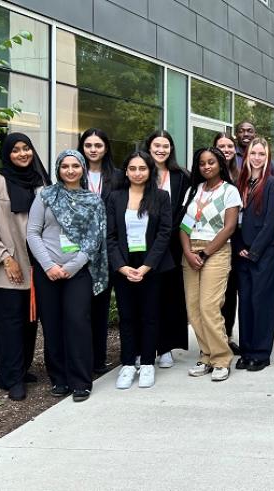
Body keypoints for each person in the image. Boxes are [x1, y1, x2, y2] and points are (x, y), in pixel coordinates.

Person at [27, 149, 108, 403]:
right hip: (47, 272)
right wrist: (49, 266)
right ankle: (59, 379)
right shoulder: (45, 196)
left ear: (83, 168)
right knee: (52, 325)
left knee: (77, 322)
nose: (70, 170)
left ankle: (80, 381)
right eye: (65, 166)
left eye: (75, 165)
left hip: (78, 271)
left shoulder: (93, 201)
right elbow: (32, 232)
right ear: (58, 169)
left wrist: (72, 267)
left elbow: (94, 239)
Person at [0, 133, 51, 401]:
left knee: (30, 321)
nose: (22, 154)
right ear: (7, 153)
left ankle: (21, 367)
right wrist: (6, 258)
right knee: (10, 322)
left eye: (27, 148)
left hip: (37, 262)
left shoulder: (40, 182)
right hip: (8, 264)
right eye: (16, 150)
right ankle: (11, 377)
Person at [107, 151, 174, 389]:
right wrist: (122, 267)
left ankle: (147, 363)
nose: (137, 173)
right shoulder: (115, 197)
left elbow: (165, 233)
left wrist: (147, 267)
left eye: (142, 168)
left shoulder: (161, 197)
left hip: (152, 267)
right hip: (123, 266)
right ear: (126, 171)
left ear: (150, 171)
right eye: (133, 168)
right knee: (127, 317)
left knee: (150, 316)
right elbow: (111, 236)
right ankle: (127, 364)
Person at [180, 147, 241, 381]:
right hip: (190, 250)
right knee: (194, 309)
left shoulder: (230, 191)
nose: (206, 167)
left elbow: (229, 228)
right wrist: (187, 251)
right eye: (202, 163)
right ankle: (206, 355)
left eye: (211, 162)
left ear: (220, 165)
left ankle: (221, 358)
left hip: (215, 251)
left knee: (209, 307)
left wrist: (204, 253)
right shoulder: (193, 191)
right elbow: (183, 226)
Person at [234, 138, 274, 371]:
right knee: (245, 304)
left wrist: (254, 251)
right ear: (247, 155)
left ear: (267, 156)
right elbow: (233, 220)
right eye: (253, 153)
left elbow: (271, 220)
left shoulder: (272, 183)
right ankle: (246, 350)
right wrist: (239, 247)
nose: (257, 157)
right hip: (241, 252)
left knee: (262, 303)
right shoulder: (238, 182)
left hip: (265, 253)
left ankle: (261, 354)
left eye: (262, 154)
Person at [144, 130, 190, 368]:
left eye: (166, 146)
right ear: (148, 147)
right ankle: (145, 348)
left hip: (172, 243)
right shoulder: (140, 172)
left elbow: (187, 208)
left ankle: (166, 348)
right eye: (157, 145)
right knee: (147, 297)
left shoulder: (181, 176)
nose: (161, 150)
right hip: (143, 243)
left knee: (171, 297)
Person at [77, 128, 118, 375]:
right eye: (89, 145)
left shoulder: (118, 177)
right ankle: (83, 356)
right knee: (82, 307)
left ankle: (98, 359)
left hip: (109, 250)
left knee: (101, 305)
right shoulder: (72, 174)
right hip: (79, 252)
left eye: (98, 145)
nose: (93, 149)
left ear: (105, 148)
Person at [213, 132, 242, 356]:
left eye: (230, 145)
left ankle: (228, 335)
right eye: (221, 145)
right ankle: (216, 335)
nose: (226, 149)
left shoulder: (241, 174)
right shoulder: (209, 172)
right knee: (216, 293)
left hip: (237, 238)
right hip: (213, 240)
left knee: (231, 290)